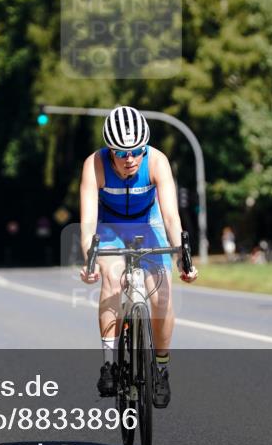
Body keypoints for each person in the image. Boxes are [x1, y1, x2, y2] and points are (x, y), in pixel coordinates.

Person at [79, 106, 198, 409]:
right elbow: (89, 222)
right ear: (110, 150)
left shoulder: (157, 161)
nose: (130, 158)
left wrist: (184, 258)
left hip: (149, 222)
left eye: (137, 150)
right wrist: (89, 260)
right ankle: (109, 364)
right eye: (121, 152)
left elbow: (172, 217)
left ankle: (160, 368)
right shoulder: (94, 165)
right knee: (112, 281)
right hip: (110, 226)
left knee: (162, 295)